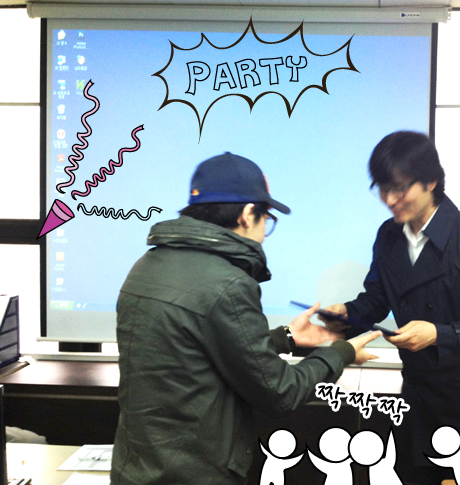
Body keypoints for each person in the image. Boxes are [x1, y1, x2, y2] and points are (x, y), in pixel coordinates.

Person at [111, 152, 380, 485]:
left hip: (136, 471)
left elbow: (198, 351)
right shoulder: (228, 283)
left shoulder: (146, 266)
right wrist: (341, 353)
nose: (265, 233)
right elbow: (281, 392)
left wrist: (286, 337)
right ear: (247, 214)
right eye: (267, 218)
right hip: (196, 475)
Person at [323, 131, 460, 484]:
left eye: (400, 188)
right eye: (382, 189)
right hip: (417, 403)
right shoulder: (388, 236)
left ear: (431, 181)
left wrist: (437, 335)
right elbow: (376, 299)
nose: (390, 200)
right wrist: (347, 315)